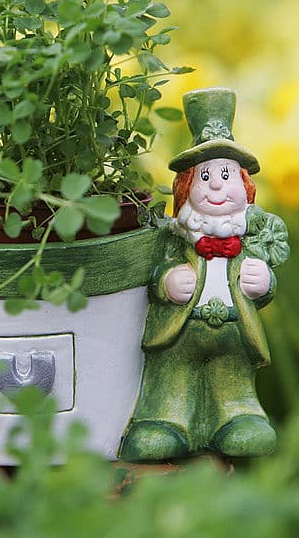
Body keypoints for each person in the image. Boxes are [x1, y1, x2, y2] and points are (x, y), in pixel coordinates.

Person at [118, 87, 289, 461]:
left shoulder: (252, 235)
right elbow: (153, 272)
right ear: (186, 188)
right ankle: (166, 422)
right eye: (206, 176)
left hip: (234, 338)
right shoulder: (175, 235)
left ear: (244, 186)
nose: (215, 184)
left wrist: (264, 284)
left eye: (226, 174)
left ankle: (238, 417)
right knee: (171, 387)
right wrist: (166, 282)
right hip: (179, 336)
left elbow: (265, 284)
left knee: (233, 388)